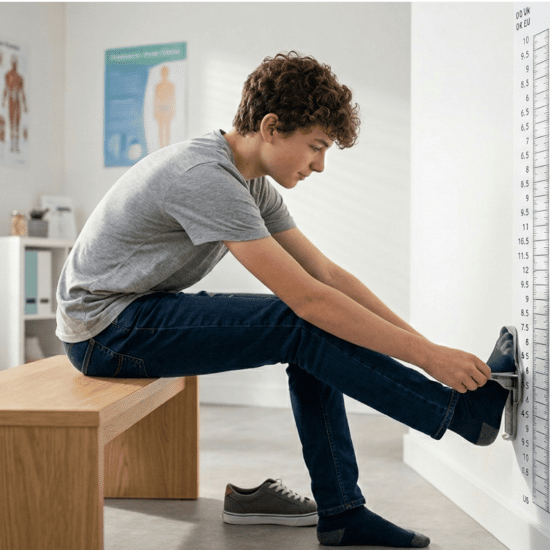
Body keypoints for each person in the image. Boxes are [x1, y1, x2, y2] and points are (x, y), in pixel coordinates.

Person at [57, 51, 516, 548]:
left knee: (310, 331)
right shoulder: (205, 177)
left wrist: (430, 351)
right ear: (271, 127)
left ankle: (343, 514)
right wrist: (428, 359)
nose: (319, 165)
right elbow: (307, 302)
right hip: (104, 331)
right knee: (298, 324)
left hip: (139, 311)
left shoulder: (251, 183)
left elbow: (326, 276)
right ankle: (462, 415)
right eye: (316, 146)